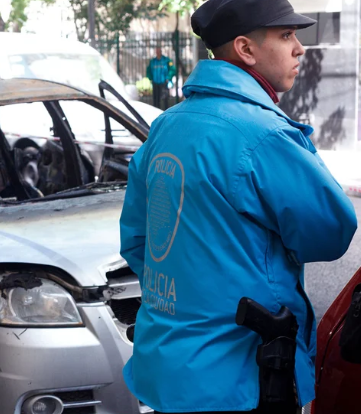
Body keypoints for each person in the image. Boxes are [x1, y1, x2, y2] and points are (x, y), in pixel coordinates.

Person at [119, 0, 358, 413]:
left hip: (168, 372)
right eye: (286, 36)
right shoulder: (263, 134)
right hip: (239, 380)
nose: (299, 48)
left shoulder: (166, 126)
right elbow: (333, 231)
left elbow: (139, 242)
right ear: (246, 49)